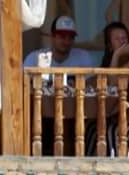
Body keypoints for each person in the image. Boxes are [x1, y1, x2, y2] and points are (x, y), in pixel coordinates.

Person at [25, 15, 95, 154]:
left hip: (74, 113)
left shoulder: (83, 57)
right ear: (52, 37)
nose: (66, 41)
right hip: (40, 113)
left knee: (70, 125)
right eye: (62, 36)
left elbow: (91, 83)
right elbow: (22, 81)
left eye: (70, 37)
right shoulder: (36, 57)